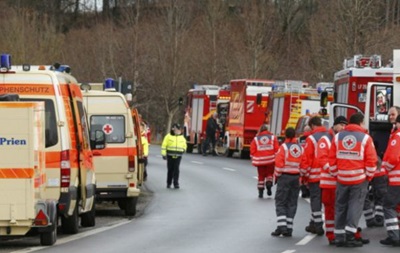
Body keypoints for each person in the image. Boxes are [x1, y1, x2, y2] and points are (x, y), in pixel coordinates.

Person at [328, 112, 377, 247]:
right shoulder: (366, 138)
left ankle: (339, 236)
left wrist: (335, 173)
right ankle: (350, 235)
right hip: (359, 179)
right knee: (355, 207)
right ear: (361, 122)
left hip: (342, 178)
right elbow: (371, 160)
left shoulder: (338, 137)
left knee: (340, 207)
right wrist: (369, 176)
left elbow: (331, 158)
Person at [318, 115, 368, 245]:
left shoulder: (341, 137)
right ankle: (332, 235)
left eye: (345, 125)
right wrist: (335, 172)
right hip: (331, 182)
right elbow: (322, 159)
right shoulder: (326, 139)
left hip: (342, 180)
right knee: (333, 211)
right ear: (334, 125)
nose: (343, 127)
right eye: (341, 124)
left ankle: (351, 234)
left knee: (349, 208)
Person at [271, 127, 303, 237]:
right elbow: (303, 164)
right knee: (292, 202)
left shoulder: (283, 147)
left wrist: (277, 176)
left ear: (286, 136)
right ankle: (289, 228)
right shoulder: (300, 148)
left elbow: (279, 164)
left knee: (280, 201)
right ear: (295, 136)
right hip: (296, 177)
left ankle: (282, 226)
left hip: (285, 177)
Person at [300, 116, 329, 236]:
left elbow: (306, 158)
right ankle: (313, 223)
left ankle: (318, 225)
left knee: (315, 200)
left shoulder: (311, 139)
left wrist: (304, 176)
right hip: (328, 175)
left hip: (315, 175)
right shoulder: (329, 136)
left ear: (312, 126)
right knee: (327, 201)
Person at [380, 114, 400, 247]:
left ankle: (394, 236)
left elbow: (393, 158)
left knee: (388, 205)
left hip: (397, 179)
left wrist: (385, 168)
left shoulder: (397, 136)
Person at [250, 124, 279, 198]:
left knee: (261, 176)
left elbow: (252, 150)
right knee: (270, 174)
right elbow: (276, 149)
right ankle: (269, 183)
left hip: (260, 161)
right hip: (270, 160)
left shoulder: (256, 139)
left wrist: (254, 157)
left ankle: (260, 191)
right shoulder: (273, 137)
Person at [161, 123, 187, 189]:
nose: (178, 131)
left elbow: (184, 145)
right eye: (176, 129)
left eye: (179, 130)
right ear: (173, 129)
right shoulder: (168, 136)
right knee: (170, 170)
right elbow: (164, 145)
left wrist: (183, 150)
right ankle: (168, 183)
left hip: (178, 156)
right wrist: (163, 154)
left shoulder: (182, 137)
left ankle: (176, 183)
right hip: (170, 156)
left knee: (176, 169)